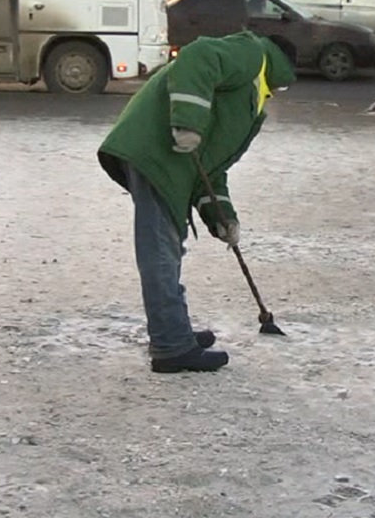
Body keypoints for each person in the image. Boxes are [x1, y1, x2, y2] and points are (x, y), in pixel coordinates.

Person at [98, 31, 295, 373]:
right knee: (160, 249)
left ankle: (174, 329)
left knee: (167, 247)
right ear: (285, 68)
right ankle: (171, 346)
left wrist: (221, 217)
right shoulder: (251, 55)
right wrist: (188, 123)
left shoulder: (251, 100)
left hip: (168, 162)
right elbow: (197, 56)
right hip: (155, 153)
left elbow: (212, 168)